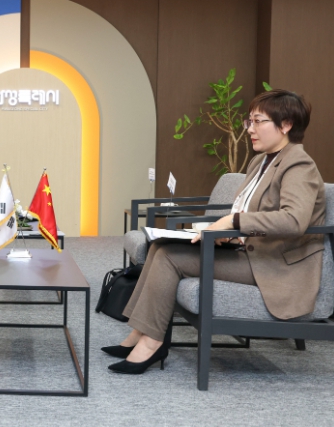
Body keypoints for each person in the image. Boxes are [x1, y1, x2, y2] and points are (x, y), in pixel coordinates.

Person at [102, 89, 325, 374]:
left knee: (170, 257)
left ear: (286, 125)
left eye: (258, 121)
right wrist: (229, 232)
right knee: (160, 246)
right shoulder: (261, 161)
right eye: (249, 121)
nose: (250, 129)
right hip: (249, 253)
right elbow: (254, 211)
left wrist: (234, 222)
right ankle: (141, 333)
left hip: (274, 266)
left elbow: (294, 220)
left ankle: (152, 343)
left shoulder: (298, 164)